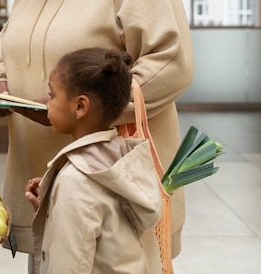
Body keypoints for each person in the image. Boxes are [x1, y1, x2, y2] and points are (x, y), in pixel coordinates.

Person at [0, 0, 194, 267]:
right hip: (43, 172)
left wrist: (88, 111)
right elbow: (8, 46)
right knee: (55, 258)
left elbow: (171, 63)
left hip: (110, 179)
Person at [25, 47, 163, 274]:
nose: (47, 104)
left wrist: (65, 196)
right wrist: (51, 207)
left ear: (80, 106)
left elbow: (68, 266)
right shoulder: (116, 159)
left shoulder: (75, 181)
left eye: (52, 95)